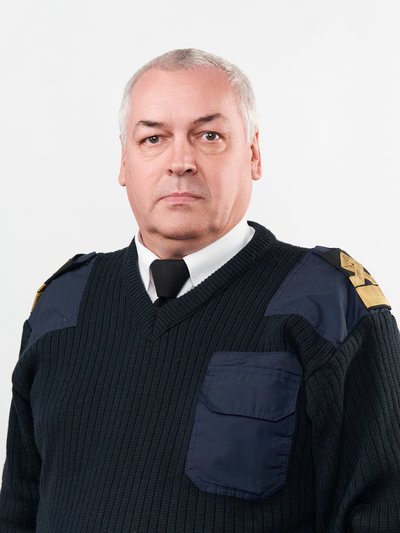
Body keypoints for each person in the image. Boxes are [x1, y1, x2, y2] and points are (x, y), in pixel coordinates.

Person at [0, 48, 399, 533]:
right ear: (124, 161)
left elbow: (381, 511)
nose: (180, 162)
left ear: (253, 154)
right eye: (153, 138)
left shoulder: (327, 306)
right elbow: (19, 507)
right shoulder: (63, 305)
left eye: (209, 136)